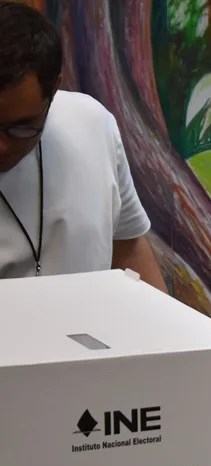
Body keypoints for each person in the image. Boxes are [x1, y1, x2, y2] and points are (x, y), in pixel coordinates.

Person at [0, 2, 166, 290]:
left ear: (54, 91)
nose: (1, 147)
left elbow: (128, 248)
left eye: (21, 127)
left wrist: (170, 330)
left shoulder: (93, 125)